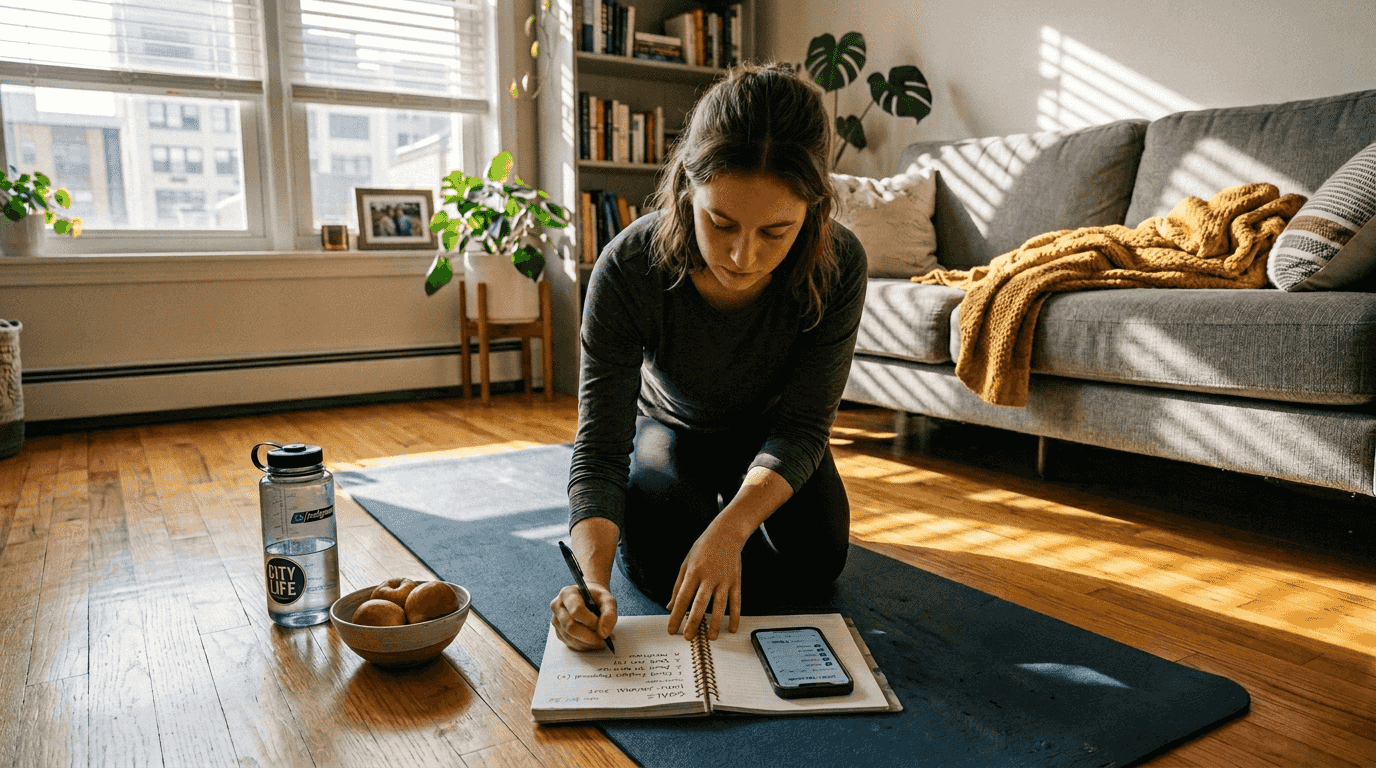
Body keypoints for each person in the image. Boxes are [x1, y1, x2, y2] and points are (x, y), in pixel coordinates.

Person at [550, 63, 868, 651]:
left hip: (773, 433)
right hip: (670, 426)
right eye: (720, 223)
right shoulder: (627, 267)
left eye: (776, 232)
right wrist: (589, 582)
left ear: (814, 212)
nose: (743, 256)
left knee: (819, 561)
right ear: (685, 190)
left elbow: (804, 427)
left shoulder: (839, 262)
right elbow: (599, 448)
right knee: (660, 571)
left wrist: (730, 530)